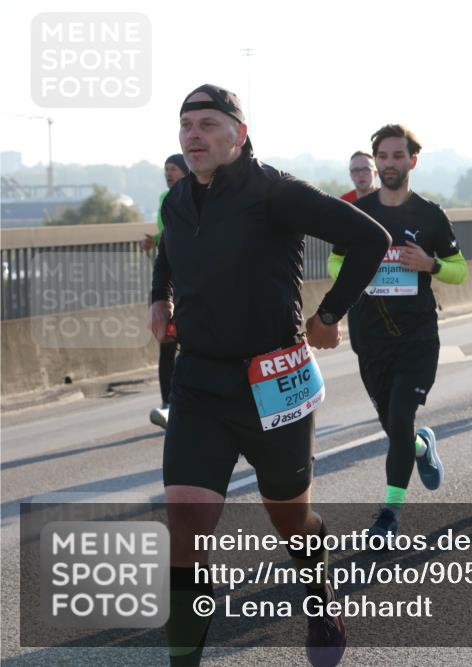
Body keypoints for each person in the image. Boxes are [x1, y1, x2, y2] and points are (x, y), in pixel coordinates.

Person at [150, 84, 390, 667]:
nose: (194, 134)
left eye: (208, 123)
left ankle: (319, 594)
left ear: (241, 133)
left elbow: (370, 237)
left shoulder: (276, 194)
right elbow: (170, 249)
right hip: (200, 383)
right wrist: (160, 298)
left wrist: (329, 314)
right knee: (185, 521)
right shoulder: (178, 200)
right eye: (186, 125)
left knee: (290, 518)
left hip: (272, 380)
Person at [327, 125, 468, 538]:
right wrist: (361, 267)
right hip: (370, 336)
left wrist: (432, 265)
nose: (390, 164)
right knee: (397, 429)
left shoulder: (430, 215)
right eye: (383, 157)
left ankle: (389, 515)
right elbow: (334, 266)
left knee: (401, 416)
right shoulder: (357, 213)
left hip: (417, 336)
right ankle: (422, 446)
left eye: (397, 156)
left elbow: (460, 271)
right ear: (377, 163)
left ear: (412, 161)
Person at [142, 153, 189, 429]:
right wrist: (155, 240)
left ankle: (185, 403)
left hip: (194, 283)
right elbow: (169, 233)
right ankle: (168, 403)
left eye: (173, 169)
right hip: (171, 280)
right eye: (165, 170)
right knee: (167, 342)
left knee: (191, 345)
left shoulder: (201, 195)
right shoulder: (166, 199)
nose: (168, 174)